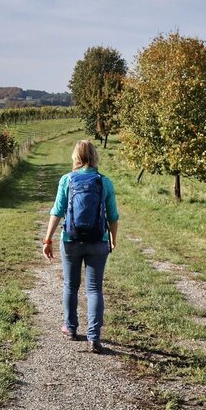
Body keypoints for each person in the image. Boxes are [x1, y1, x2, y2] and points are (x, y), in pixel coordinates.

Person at [42, 140, 119, 353]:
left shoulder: (67, 180)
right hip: (98, 240)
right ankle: (94, 337)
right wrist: (112, 238)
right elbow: (113, 216)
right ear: (94, 157)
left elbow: (57, 211)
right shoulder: (105, 183)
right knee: (94, 289)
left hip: (71, 240)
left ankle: (70, 328)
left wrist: (47, 240)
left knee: (71, 285)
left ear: (75, 157)